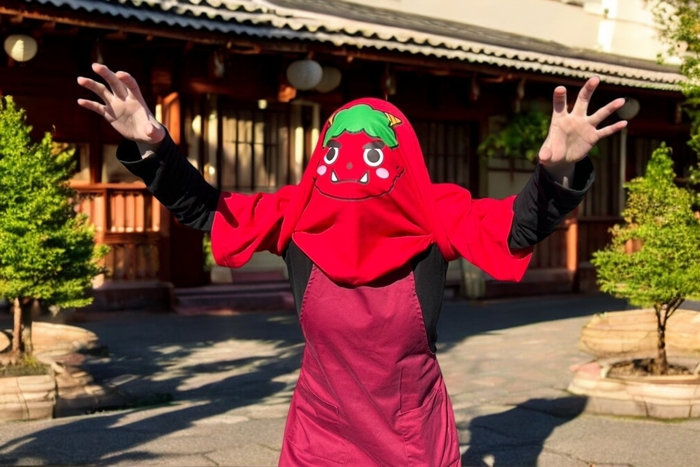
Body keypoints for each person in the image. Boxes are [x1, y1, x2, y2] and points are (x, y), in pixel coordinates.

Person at [78, 63, 627, 467]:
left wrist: (558, 173)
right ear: (323, 157)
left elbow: (516, 226)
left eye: (373, 154)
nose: (353, 168)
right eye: (339, 152)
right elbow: (208, 208)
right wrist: (154, 148)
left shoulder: (435, 213)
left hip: (413, 434)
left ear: (401, 159)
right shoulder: (296, 213)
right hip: (320, 431)